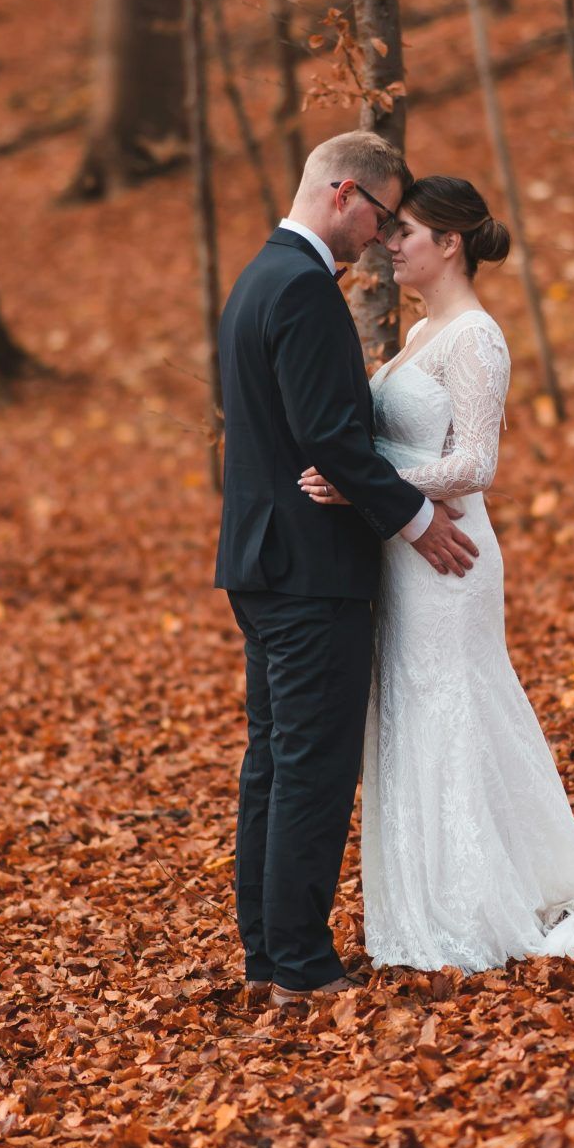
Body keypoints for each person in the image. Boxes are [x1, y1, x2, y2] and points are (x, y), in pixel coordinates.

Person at [302, 174, 574, 973]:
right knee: (412, 706)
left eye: (405, 233)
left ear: (449, 244)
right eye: (389, 230)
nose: (389, 245)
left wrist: (365, 478)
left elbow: (475, 463)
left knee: (452, 705)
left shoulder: (475, 335)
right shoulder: (418, 335)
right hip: (406, 552)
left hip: (452, 558)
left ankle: (476, 904)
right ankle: (430, 899)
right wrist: (368, 479)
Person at [214, 134, 478, 1007]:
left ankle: (266, 953)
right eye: (377, 213)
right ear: (341, 192)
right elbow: (330, 432)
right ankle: (301, 964)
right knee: (314, 766)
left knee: (275, 761)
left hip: (261, 561)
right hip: (310, 570)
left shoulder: (256, 279)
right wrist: (411, 521)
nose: (378, 236)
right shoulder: (300, 290)